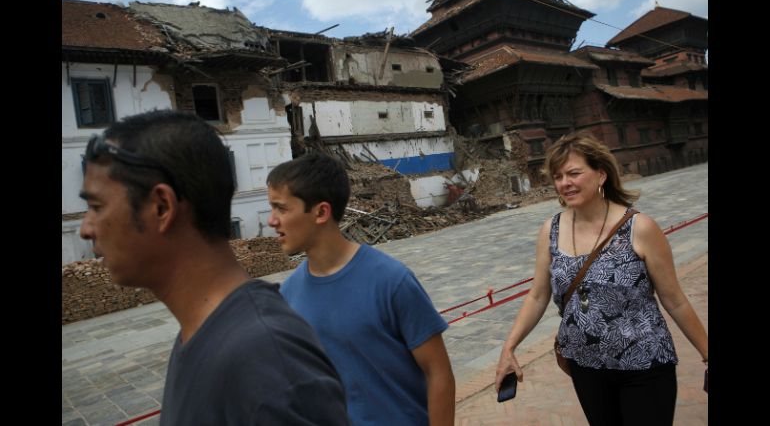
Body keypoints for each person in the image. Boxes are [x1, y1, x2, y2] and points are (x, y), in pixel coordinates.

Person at [78, 110, 349, 426]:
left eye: (96, 207)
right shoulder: (202, 337)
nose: (86, 228)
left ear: (161, 207)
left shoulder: (264, 358)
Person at [494, 132, 708, 426]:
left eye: (574, 173)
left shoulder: (639, 227)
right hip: (585, 366)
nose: (564, 182)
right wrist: (510, 347)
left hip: (644, 363)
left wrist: (707, 353)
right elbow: (537, 296)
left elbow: (674, 299)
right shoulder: (551, 230)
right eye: (558, 176)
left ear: (601, 174)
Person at [267, 152, 455, 426]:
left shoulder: (391, 281)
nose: (272, 220)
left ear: (321, 212)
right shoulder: (289, 295)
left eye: (281, 209)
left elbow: (438, 373)